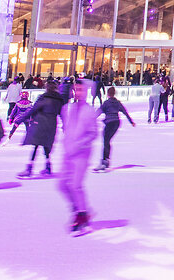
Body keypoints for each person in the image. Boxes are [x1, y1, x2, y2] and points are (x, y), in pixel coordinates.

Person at [59, 79, 101, 236]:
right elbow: (66, 128)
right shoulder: (67, 109)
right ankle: (78, 208)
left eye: (81, 90)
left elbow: (93, 133)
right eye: (76, 89)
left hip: (82, 153)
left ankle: (82, 217)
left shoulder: (89, 111)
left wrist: (79, 144)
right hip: (68, 152)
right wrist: (67, 144)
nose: (78, 93)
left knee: (76, 185)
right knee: (62, 185)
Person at [13, 81, 66, 178]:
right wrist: (65, 125)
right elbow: (62, 114)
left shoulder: (44, 98)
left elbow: (33, 110)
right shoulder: (59, 100)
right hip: (52, 124)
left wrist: (21, 118)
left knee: (36, 145)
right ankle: (48, 166)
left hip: (41, 124)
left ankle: (29, 168)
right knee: (45, 145)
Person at [96, 86, 136, 172]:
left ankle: (104, 161)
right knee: (107, 141)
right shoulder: (117, 103)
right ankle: (106, 160)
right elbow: (125, 112)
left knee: (106, 141)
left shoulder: (106, 103)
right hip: (116, 123)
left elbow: (98, 112)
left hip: (110, 122)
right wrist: (131, 121)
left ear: (107, 94)